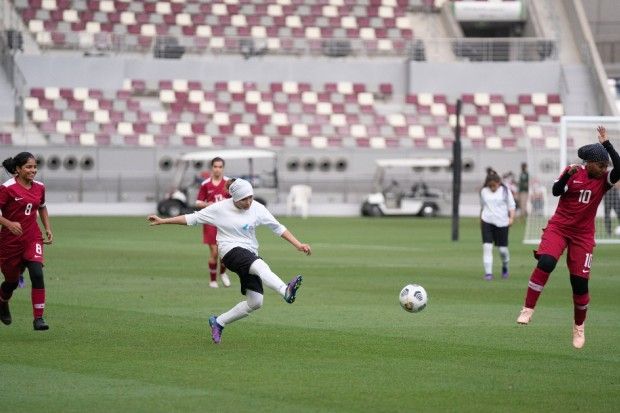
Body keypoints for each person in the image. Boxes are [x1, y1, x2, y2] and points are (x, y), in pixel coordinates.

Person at [148, 178, 311, 344]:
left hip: (249, 253)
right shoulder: (219, 208)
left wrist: (298, 244)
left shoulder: (257, 208)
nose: (248, 202)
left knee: (255, 302)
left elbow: (277, 227)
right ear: (235, 198)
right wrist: (163, 221)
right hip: (229, 252)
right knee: (260, 265)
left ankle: (219, 322)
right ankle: (285, 291)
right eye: (244, 199)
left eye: (250, 197)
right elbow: (192, 218)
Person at [516, 126, 620, 349]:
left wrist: (607, 144)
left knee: (579, 284)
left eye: (605, 166)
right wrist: (565, 177)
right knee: (546, 262)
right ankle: (528, 308)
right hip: (559, 228)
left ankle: (579, 327)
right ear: (589, 163)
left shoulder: (604, 180)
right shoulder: (573, 172)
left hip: (583, 235)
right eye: (601, 165)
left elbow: (619, 167)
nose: (604, 169)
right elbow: (556, 191)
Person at [0, 152, 53, 330]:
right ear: (18, 169)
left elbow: (42, 207)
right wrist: (9, 224)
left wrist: (47, 228)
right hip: (10, 242)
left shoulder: (40, 187)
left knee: (37, 273)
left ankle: (39, 319)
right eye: (28, 167)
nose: (33, 170)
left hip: (32, 238)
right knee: (11, 282)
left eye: (35, 167)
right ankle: (2, 301)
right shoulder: (7, 188)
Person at [195, 157, 231, 288]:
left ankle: (223, 273)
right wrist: (207, 204)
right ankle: (213, 280)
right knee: (214, 252)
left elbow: (236, 200)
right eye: (215, 166)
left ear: (223, 168)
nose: (217, 169)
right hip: (210, 222)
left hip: (225, 223)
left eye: (220, 167)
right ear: (212, 168)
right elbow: (198, 202)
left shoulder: (228, 183)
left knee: (224, 253)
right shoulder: (206, 184)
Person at [479, 172, 516, 280]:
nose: (492, 188)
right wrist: (480, 218)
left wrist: (511, 218)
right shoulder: (484, 191)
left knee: (502, 250)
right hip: (487, 221)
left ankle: (505, 266)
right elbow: (483, 206)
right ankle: (488, 273)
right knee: (487, 247)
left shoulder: (505, 191)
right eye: (490, 186)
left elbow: (511, 206)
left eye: (494, 185)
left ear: (499, 183)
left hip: (502, 223)